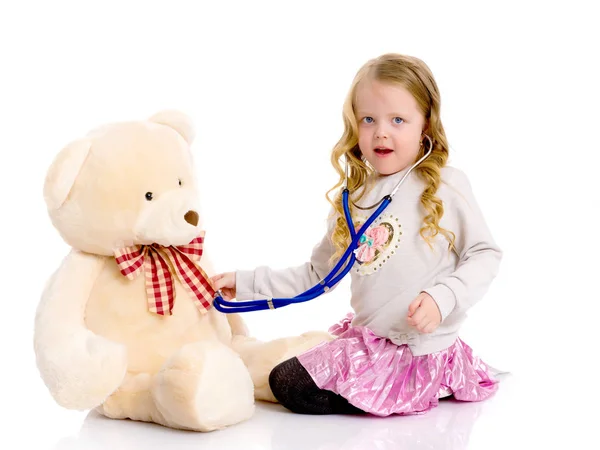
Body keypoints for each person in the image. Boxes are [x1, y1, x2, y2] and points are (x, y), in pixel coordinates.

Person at [211, 53, 503, 417]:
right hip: (371, 339)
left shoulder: (445, 184)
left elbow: (485, 253)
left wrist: (442, 297)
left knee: (290, 383)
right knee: (286, 377)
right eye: (369, 119)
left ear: (425, 125)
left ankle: (410, 386)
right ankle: (380, 387)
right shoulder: (355, 200)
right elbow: (318, 276)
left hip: (419, 347)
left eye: (398, 119)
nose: (381, 131)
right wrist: (245, 283)